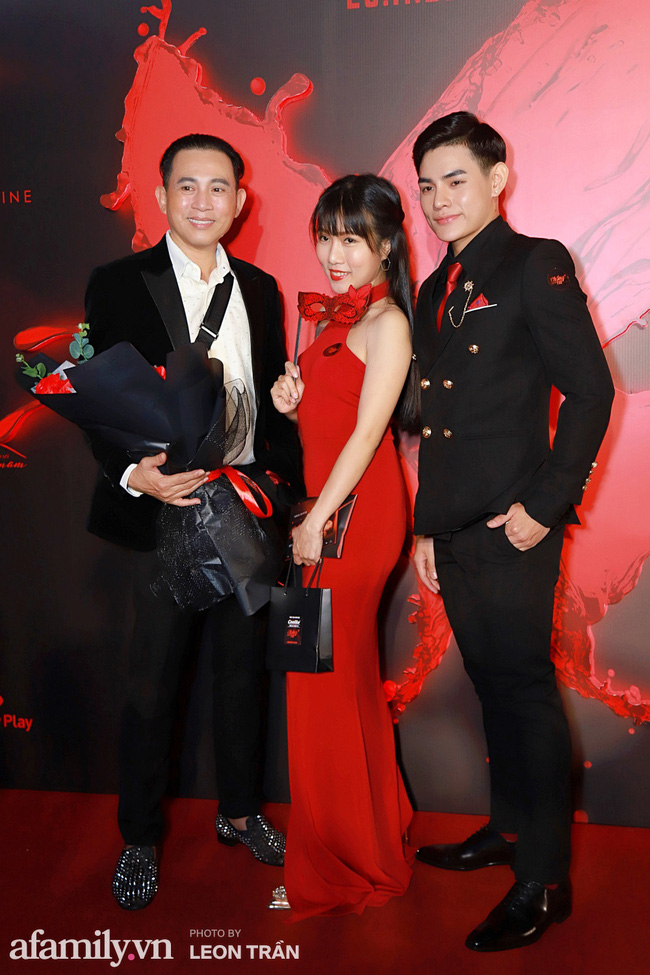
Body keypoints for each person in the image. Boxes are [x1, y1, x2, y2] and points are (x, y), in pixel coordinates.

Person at [410, 112, 614, 951]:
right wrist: (426, 527)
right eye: (427, 186)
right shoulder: (434, 288)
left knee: (524, 691)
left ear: (497, 179)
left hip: (514, 527)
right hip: (454, 528)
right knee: (492, 685)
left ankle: (544, 880)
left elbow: (593, 392)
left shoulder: (536, 263)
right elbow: (437, 421)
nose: (439, 199)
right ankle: (507, 829)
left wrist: (545, 506)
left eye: (456, 180)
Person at [84, 133, 303, 910]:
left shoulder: (263, 289)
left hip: (242, 505)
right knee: (151, 682)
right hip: (164, 505)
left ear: (240, 200)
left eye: (219, 187)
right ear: (161, 195)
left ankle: (239, 811)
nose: (203, 201)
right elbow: (94, 396)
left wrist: (285, 489)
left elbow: (273, 401)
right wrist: (132, 471)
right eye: (187, 186)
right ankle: (140, 837)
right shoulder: (119, 283)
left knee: (243, 672)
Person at [270, 174, 417, 919]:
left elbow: (365, 437)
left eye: (351, 238)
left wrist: (313, 523)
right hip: (329, 512)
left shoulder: (387, 322)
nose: (334, 253)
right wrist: (290, 402)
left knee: (320, 682)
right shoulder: (331, 318)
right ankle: (373, 827)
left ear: (386, 244)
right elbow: (329, 421)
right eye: (326, 236)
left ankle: (342, 860)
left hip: (352, 519)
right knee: (341, 677)